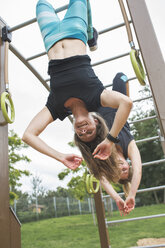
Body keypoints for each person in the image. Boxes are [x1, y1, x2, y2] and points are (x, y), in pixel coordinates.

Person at [22, 0, 132, 177]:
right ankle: (90, 35)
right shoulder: (96, 97)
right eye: (90, 131)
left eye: (81, 134)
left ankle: (91, 34)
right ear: (96, 122)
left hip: (50, 37)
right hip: (75, 29)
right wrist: (110, 140)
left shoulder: (56, 107)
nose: (83, 130)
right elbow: (126, 103)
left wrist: (60, 157)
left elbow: (28, 135)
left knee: (41, 3)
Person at [74, 72, 142, 215]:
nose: (121, 168)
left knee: (78, 92)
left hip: (98, 107)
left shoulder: (103, 154)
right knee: (120, 77)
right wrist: (132, 195)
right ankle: (125, 99)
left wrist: (117, 198)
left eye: (119, 172)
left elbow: (103, 179)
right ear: (128, 164)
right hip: (117, 106)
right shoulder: (128, 146)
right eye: (125, 169)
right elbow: (138, 168)